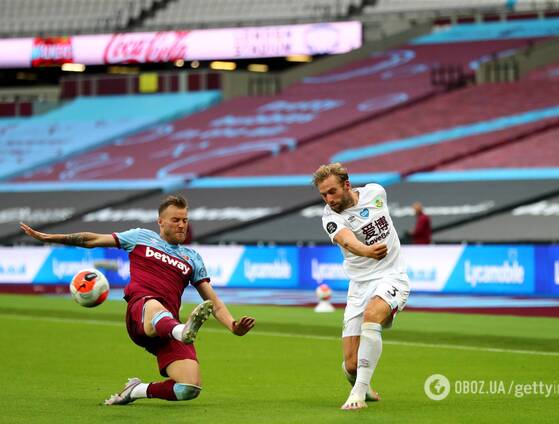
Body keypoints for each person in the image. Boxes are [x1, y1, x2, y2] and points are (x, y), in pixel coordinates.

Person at [19, 195, 255, 405]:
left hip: (166, 326)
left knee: (189, 388)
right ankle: (182, 331)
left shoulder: (192, 258)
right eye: (176, 220)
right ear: (160, 221)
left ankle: (136, 390)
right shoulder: (141, 237)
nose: (182, 224)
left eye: (184, 220)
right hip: (141, 311)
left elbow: (213, 301)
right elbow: (91, 240)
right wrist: (51, 237)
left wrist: (233, 326)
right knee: (154, 305)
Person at [312, 163, 410, 410]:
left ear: (347, 185)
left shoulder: (376, 192)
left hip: (392, 275)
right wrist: (367, 250)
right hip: (359, 285)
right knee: (352, 366)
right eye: (323, 194)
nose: (329, 199)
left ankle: (357, 394)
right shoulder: (330, 217)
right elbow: (348, 240)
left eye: (332, 191)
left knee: (372, 316)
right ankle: (362, 385)